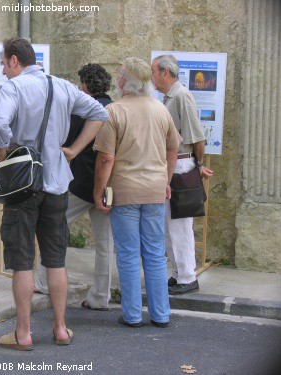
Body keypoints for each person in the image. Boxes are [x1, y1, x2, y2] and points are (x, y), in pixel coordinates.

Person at [0, 38, 108, 350]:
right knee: (56, 260)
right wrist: (73, 149)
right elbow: (99, 113)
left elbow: (0, 123)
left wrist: (2, 151)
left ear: (15, 61)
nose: (3, 70)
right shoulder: (64, 87)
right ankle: (59, 328)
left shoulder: (13, 88)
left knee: (22, 261)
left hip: (22, 186)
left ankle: (24, 334)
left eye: (4, 63)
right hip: (57, 183)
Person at [93, 57, 181, 327]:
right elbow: (173, 149)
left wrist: (99, 191)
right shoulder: (160, 109)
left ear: (123, 82)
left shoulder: (114, 112)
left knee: (129, 253)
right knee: (155, 253)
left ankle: (132, 314)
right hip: (154, 190)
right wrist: (165, 181)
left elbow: (106, 159)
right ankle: (161, 314)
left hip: (125, 191)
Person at [34, 63, 114, 311]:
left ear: (85, 86)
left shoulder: (82, 112)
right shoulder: (115, 108)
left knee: (52, 226)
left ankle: (44, 282)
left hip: (81, 184)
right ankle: (101, 296)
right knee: (104, 245)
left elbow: (65, 141)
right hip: (108, 185)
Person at [151, 55, 213, 295]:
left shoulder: (181, 96)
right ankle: (179, 273)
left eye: (154, 71)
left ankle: (187, 276)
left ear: (165, 73)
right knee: (171, 224)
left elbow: (197, 137)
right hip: (177, 163)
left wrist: (197, 165)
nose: (152, 77)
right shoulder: (171, 97)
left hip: (182, 164)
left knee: (179, 224)